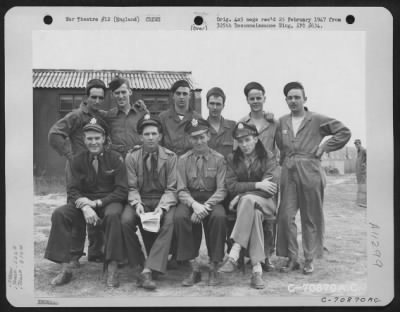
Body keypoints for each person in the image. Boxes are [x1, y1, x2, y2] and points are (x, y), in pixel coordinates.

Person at [276, 81, 351, 274]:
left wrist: (324, 147)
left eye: (297, 97)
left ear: (304, 99)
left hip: (310, 169)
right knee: (285, 216)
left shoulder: (316, 119)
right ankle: (292, 257)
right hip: (288, 169)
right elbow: (280, 146)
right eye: (290, 98)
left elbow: (344, 132)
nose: (293, 101)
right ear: (286, 100)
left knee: (310, 216)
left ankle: (309, 258)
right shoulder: (282, 121)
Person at [45, 118, 127, 288]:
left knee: (113, 215)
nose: (94, 142)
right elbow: (73, 190)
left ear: (104, 139)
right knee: (60, 214)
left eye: (97, 138)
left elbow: (121, 190)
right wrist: (85, 207)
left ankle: (111, 266)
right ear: (84, 140)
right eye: (90, 138)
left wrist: (96, 203)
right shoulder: (77, 160)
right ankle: (65, 268)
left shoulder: (116, 158)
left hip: (109, 201)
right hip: (85, 203)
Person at [48, 79, 108, 265]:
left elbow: (119, 118)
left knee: (94, 207)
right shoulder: (76, 115)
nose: (97, 101)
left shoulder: (102, 116)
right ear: (86, 97)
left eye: (100, 98)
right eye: (93, 97)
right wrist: (69, 155)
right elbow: (54, 134)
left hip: (97, 168)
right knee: (76, 209)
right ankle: (74, 255)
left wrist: (141, 111)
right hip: (77, 169)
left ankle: (96, 251)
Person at [219, 122, 279, 289]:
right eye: (240, 141)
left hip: (266, 203)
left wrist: (240, 195)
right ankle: (257, 270)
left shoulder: (268, 156)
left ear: (256, 139)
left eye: (247, 140)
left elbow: (270, 189)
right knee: (255, 214)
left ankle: (235, 251)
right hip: (249, 207)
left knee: (247, 201)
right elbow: (231, 186)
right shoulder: (232, 158)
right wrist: (257, 185)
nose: (244, 145)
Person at [121, 114, 178, 290]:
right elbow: (131, 187)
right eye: (147, 134)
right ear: (140, 137)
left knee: (169, 221)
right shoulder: (131, 157)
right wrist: (137, 204)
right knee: (126, 220)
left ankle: (148, 269)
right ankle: (138, 262)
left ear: (160, 136)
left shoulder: (170, 157)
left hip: (163, 199)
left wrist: (162, 208)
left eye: (154, 134)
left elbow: (172, 188)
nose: (151, 138)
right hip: (141, 199)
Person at [174, 118, 227, 286]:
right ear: (189, 139)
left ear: (209, 136)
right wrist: (194, 205)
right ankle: (193, 267)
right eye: (194, 138)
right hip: (191, 199)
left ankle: (214, 265)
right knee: (180, 217)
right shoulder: (182, 160)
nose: (198, 141)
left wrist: (206, 207)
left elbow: (222, 189)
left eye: (202, 137)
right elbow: (181, 189)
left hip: (212, 199)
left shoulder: (219, 159)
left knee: (219, 217)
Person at [238, 81, 279, 270]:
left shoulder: (273, 122)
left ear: (264, 98)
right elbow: (238, 151)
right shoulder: (242, 123)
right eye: (251, 98)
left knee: (269, 219)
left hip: (268, 173)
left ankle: (267, 256)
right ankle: (251, 255)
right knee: (253, 212)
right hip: (250, 175)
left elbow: (280, 147)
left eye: (258, 98)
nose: (255, 101)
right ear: (247, 100)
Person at [105, 76, 149, 157]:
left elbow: (149, 135)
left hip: (138, 158)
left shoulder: (141, 112)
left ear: (130, 92)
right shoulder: (109, 115)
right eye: (117, 93)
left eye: (123, 92)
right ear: (112, 95)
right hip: (118, 160)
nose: (121, 96)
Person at [159, 80, 202, 156]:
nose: (181, 97)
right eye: (178, 93)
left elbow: (201, 145)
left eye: (185, 94)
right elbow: (158, 145)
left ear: (190, 96)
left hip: (190, 164)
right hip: (169, 163)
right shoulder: (163, 118)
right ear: (173, 96)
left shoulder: (197, 118)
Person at [205, 87, 236, 158]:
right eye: (212, 103)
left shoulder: (233, 126)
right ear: (207, 105)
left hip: (228, 168)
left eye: (218, 104)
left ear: (223, 106)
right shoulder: (201, 128)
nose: (215, 107)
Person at [354, 139, 367, 207]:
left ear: (360, 144)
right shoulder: (358, 151)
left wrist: (364, 164)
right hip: (359, 173)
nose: (356, 145)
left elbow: (369, 157)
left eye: (357, 144)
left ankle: (364, 202)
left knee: (363, 187)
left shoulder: (363, 150)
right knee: (360, 187)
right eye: (355, 144)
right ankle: (360, 202)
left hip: (362, 172)